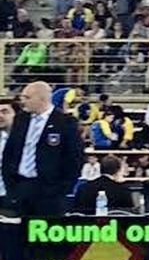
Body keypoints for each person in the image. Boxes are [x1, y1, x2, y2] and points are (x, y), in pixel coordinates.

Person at [4, 86, 87, 223]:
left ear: (41, 98)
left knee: (45, 240)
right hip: (21, 188)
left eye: (27, 98)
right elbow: (10, 153)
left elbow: (75, 159)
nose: (22, 101)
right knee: (18, 239)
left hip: (50, 192)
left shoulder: (65, 122)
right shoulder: (21, 119)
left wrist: (61, 190)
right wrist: (11, 186)